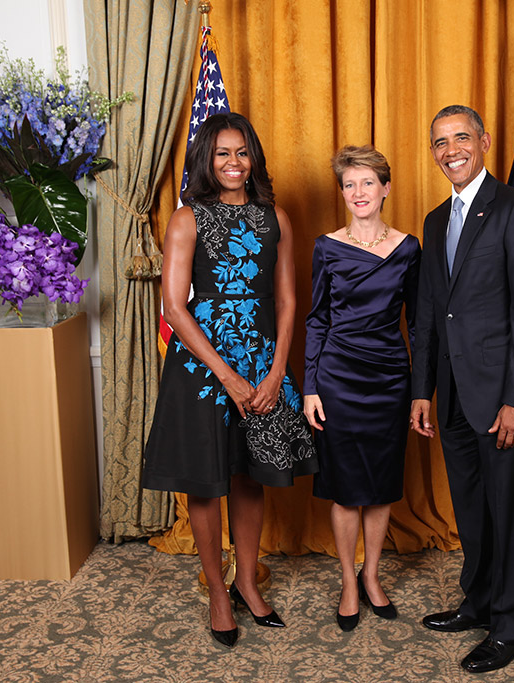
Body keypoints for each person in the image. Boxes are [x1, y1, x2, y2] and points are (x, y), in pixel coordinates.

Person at [142, 112, 317, 649]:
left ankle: (247, 579)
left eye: (242, 152)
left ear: (253, 158)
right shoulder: (186, 219)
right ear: (206, 159)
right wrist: (228, 377)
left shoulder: (276, 218)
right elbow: (174, 306)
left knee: (249, 475)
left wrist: (273, 370)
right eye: (222, 153)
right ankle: (218, 591)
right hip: (203, 369)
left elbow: (288, 300)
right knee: (207, 480)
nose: (233, 163)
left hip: (261, 359)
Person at [409, 105, 514, 674]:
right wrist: (423, 390)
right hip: (452, 394)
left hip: (502, 397)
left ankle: (513, 627)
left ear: (484, 142)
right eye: (439, 142)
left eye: (460, 138)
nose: (451, 151)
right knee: (470, 508)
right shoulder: (434, 220)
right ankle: (480, 601)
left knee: (510, 511)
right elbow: (426, 314)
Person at [303, 145, 420, 632]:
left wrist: (422, 389)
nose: (358, 193)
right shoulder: (326, 247)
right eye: (349, 184)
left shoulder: (409, 247)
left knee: (381, 486)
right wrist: (310, 386)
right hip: (338, 378)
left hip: (391, 377)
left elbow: (419, 323)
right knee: (347, 489)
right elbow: (316, 319)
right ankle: (349, 583)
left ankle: (372, 576)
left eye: (367, 182)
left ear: (386, 188)